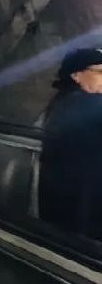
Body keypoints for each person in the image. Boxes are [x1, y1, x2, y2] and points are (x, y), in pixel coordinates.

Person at [39, 48, 102, 237]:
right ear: (76, 75)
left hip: (68, 208)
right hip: (80, 212)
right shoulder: (79, 104)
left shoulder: (63, 101)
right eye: (100, 72)